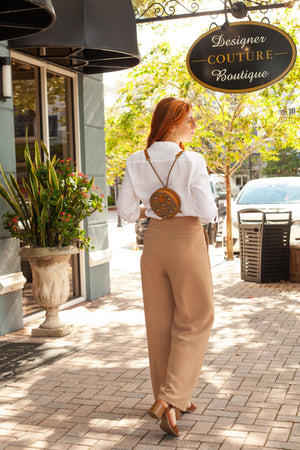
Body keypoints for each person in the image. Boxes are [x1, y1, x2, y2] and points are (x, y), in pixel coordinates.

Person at [117, 97, 218, 437]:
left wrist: (154, 211)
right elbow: (207, 212)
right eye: (190, 119)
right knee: (196, 317)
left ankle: (174, 399)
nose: (194, 125)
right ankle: (170, 399)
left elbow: (127, 211)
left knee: (160, 323)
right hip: (187, 239)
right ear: (172, 124)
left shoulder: (135, 159)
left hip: (154, 242)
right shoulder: (192, 159)